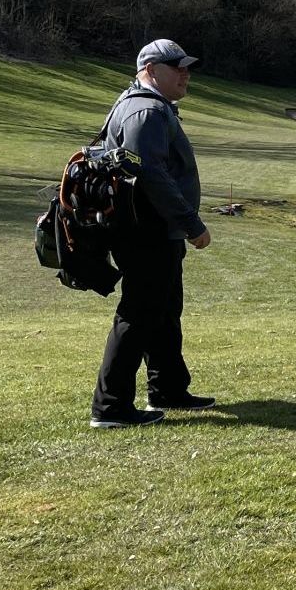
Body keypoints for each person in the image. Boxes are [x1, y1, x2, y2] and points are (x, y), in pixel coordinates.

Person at [89, 39, 214, 429]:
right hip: (146, 231)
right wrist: (193, 225)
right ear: (150, 70)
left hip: (155, 230)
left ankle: (168, 388)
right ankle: (110, 408)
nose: (185, 73)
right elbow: (153, 176)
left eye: (186, 66)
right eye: (176, 66)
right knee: (139, 314)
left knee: (162, 312)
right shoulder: (145, 110)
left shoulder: (146, 105)